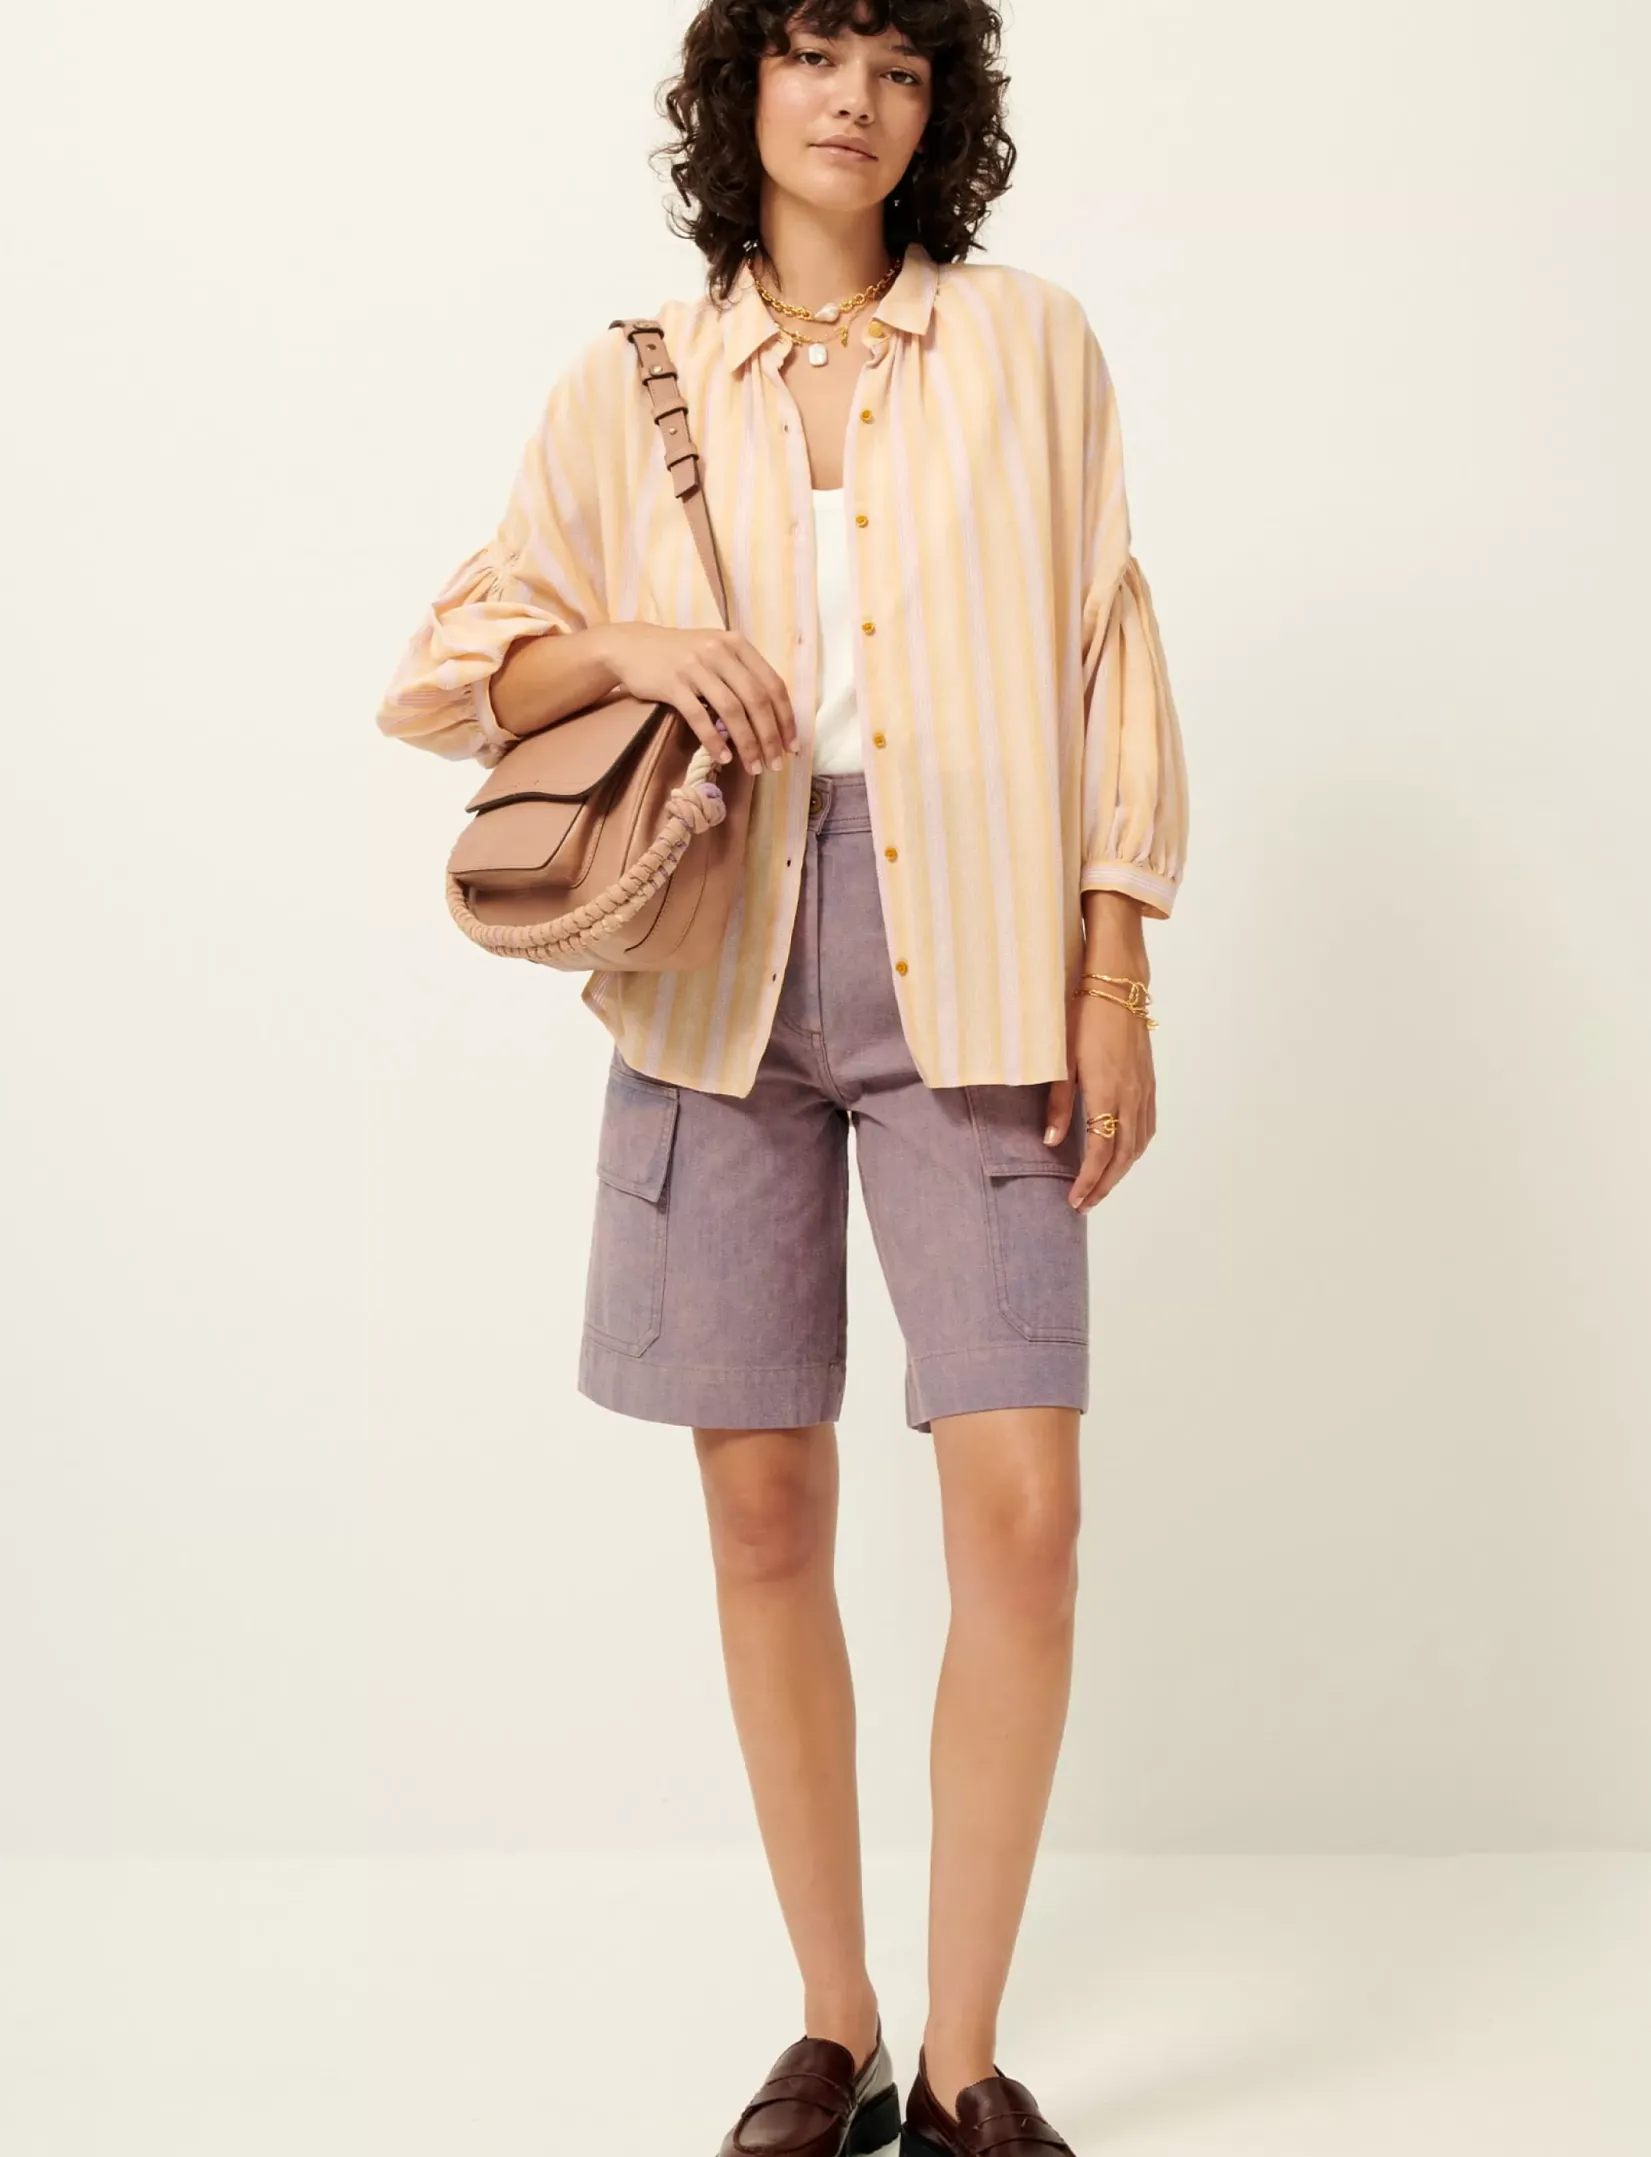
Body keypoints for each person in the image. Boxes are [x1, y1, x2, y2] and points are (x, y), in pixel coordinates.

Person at [375, 2, 1190, 2149]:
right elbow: (453, 669)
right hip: (713, 968)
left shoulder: (1027, 345)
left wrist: (1116, 969)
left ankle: (967, 2056)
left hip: (978, 964)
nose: (855, 102)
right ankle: (837, 2027)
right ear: (742, 86)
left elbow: (1106, 643)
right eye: (817, 53)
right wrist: (631, 644)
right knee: (761, 1510)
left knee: (1024, 1515)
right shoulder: (635, 375)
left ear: (943, 110)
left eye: (901, 69)